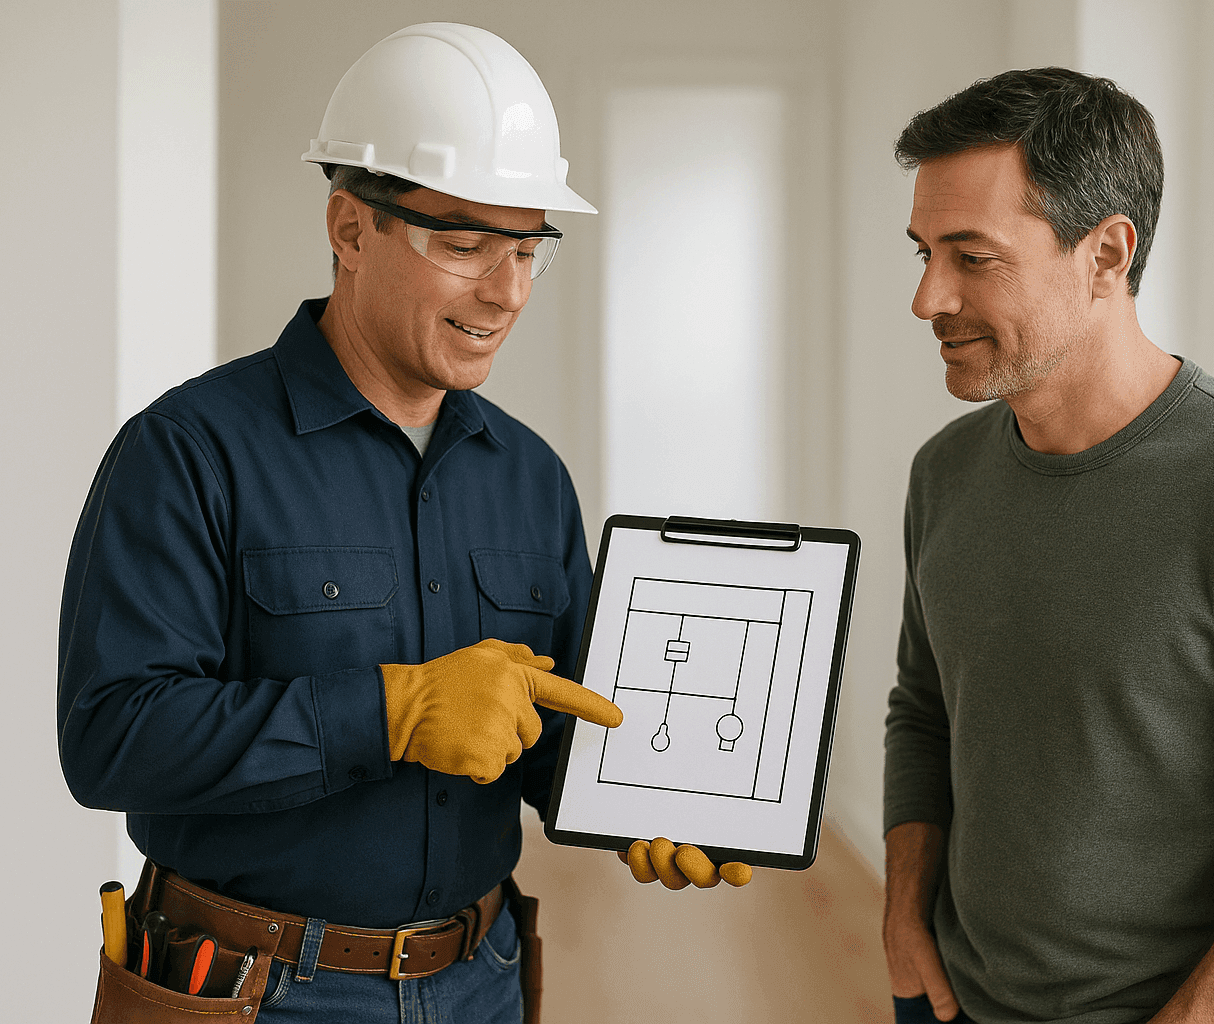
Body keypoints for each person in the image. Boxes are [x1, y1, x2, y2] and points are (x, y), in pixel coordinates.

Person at [59, 24, 740, 1024]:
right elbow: (112, 737)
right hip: (254, 991)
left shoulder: (532, 478)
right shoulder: (188, 451)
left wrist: (645, 800)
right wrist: (392, 711)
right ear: (349, 228)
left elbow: (545, 730)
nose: (505, 291)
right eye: (464, 244)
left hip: (483, 978)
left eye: (525, 249)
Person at [880, 68, 1214, 1024]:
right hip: (955, 1001)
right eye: (921, 252)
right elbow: (924, 710)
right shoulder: (944, 473)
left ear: (1107, 253)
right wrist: (903, 914)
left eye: (972, 258)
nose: (926, 299)